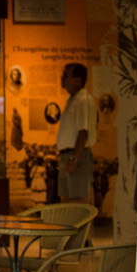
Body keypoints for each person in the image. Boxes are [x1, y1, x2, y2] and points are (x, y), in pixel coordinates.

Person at [54, 62, 96, 204]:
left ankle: (81, 227)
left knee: (78, 199)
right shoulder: (73, 100)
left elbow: (84, 132)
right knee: (66, 199)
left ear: (78, 80)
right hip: (68, 155)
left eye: (66, 75)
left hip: (77, 155)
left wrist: (74, 159)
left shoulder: (83, 100)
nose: (62, 79)